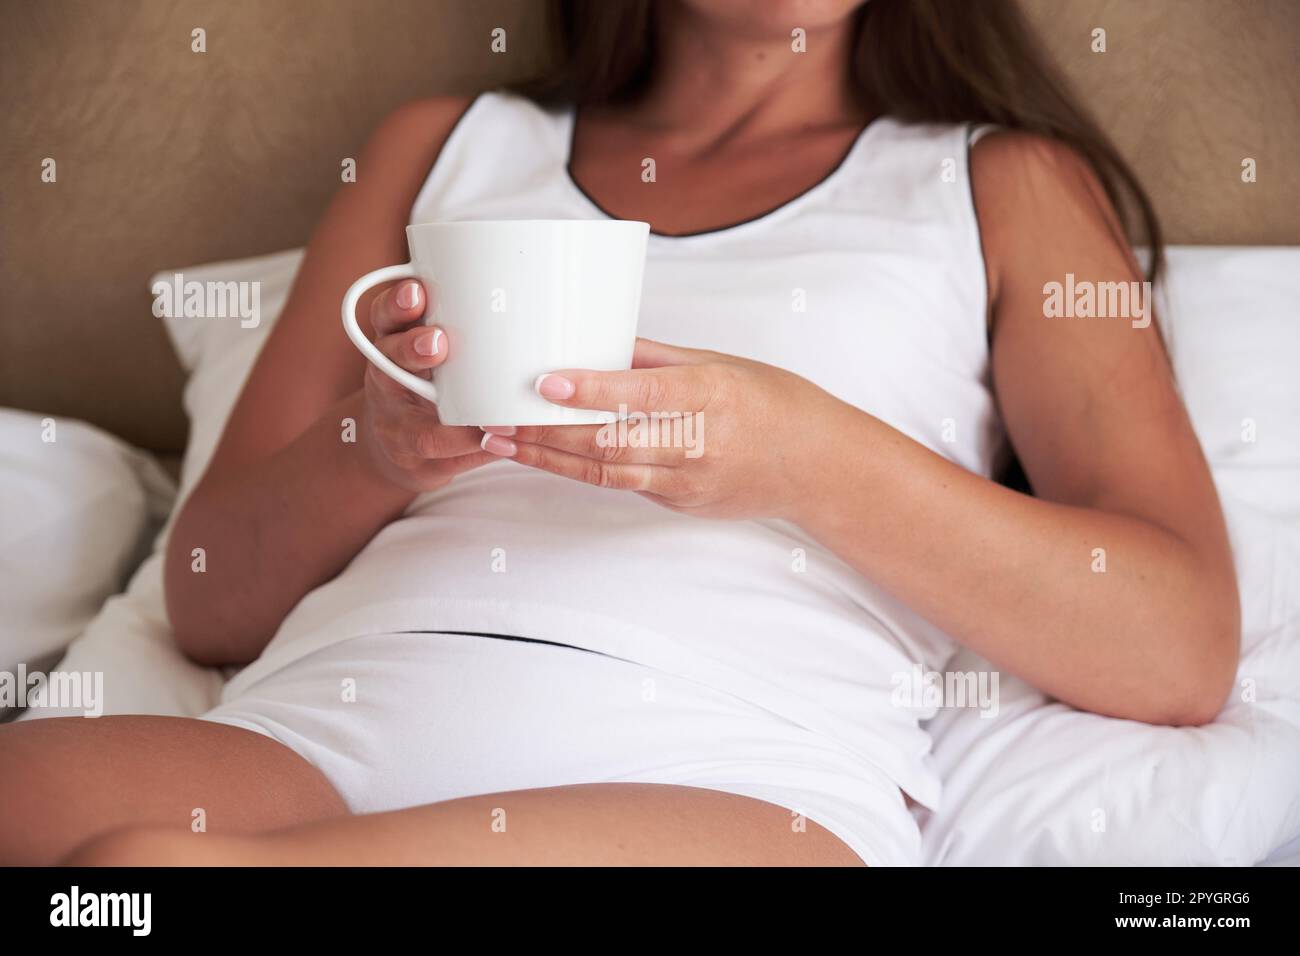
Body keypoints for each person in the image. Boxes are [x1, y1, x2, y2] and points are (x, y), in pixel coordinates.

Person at [1, 0, 1237, 866]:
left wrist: (799, 452)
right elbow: (208, 597)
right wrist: (371, 448)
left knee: (140, 875)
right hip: (330, 724)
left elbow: (1176, 645)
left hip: (721, 769)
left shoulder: (997, 182)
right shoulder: (442, 146)